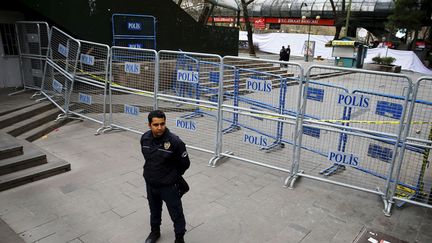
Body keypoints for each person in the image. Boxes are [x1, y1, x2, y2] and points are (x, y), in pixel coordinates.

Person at [141, 110, 191, 243]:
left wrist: (172, 177)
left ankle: (179, 238)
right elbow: (147, 158)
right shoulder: (144, 138)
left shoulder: (175, 142)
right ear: (149, 125)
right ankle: (155, 232)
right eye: (156, 125)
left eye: (162, 124)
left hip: (168, 186)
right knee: (154, 210)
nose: (159, 127)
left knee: (176, 213)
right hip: (151, 183)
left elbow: (185, 164)